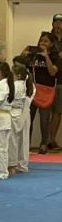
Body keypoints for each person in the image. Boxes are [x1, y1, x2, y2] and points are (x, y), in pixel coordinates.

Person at [22, 31, 59, 154]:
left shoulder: (55, 57)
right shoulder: (34, 54)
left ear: (52, 44)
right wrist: (24, 54)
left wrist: (46, 57)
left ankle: (44, 144)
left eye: (46, 41)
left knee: (44, 120)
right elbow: (21, 66)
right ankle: (26, 144)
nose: (42, 43)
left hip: (47, 91)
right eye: (41, 40)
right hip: (32, 90)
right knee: (28, 118)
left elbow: (53, 72)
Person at [8, 61, 34, 176]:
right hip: (25, 112)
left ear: (18, 75)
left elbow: (9, 100)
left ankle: (12, 165)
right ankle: (22, 165)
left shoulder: (15, 85)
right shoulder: (28, 85)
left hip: (14, 112)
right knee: (24, 140)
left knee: (13, 140)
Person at [49, 13, 62, 149]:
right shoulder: (47, 37)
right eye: (56, 22)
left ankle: (52, 140)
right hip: (48, 81)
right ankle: (48, 141)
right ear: (52, 24)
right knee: (48, 113)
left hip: (61, 80)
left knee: (58, 112)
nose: (58, 25)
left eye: (60, 22)